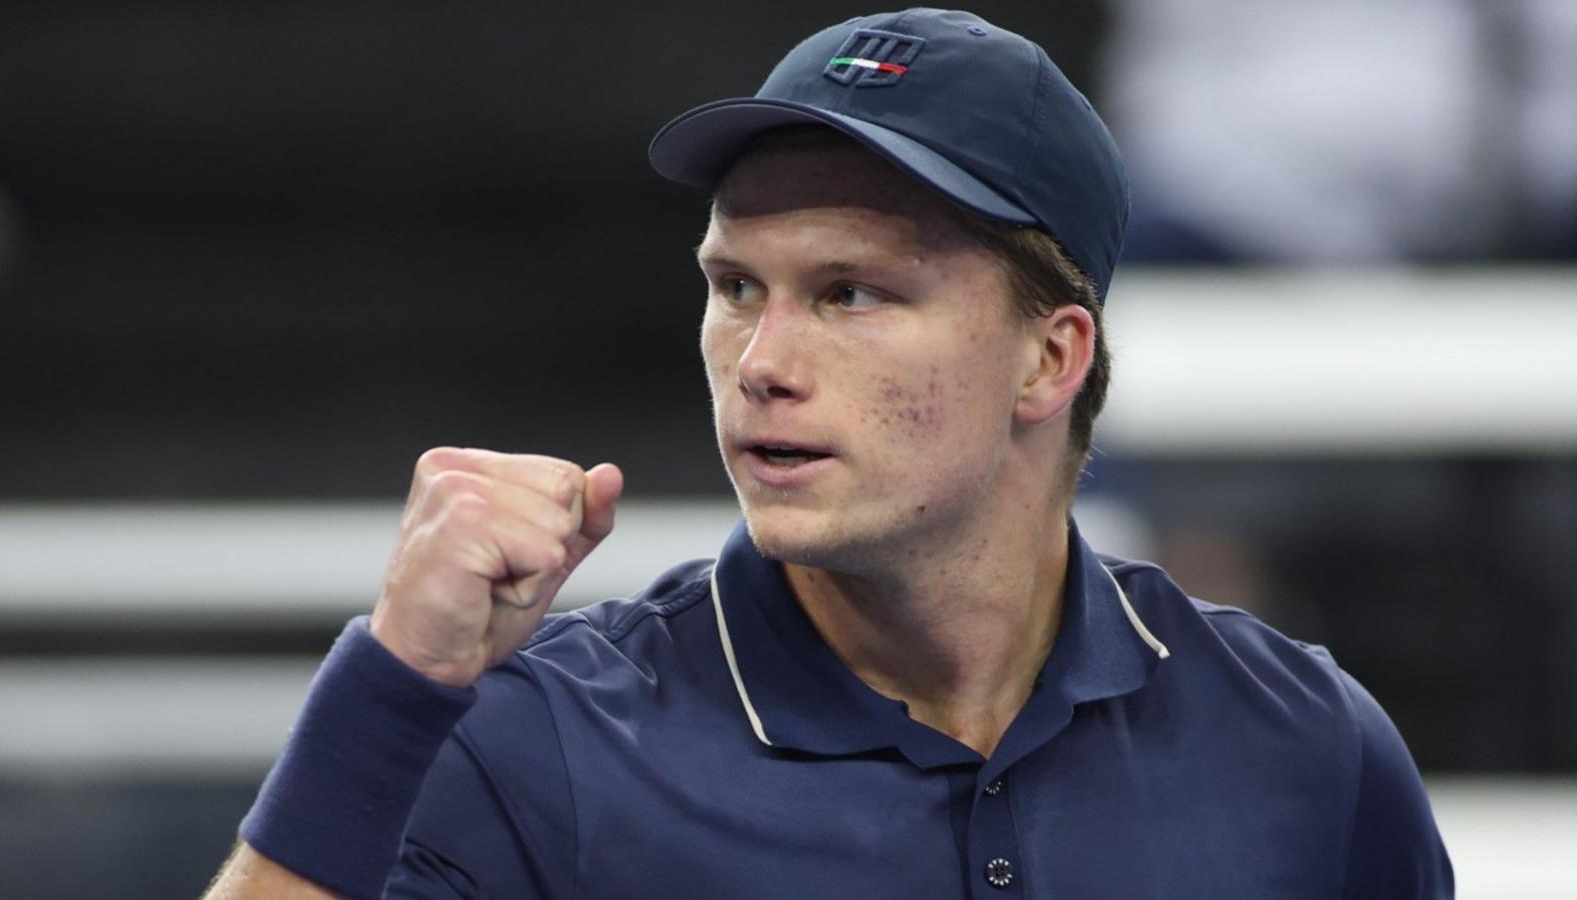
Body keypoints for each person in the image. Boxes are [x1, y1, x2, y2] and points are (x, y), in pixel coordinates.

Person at [205, 9, 1453, 899]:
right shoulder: (547, 748)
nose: (762, 361)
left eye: (852, 293)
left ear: (1048, 359)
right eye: (736, 286)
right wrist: (391, 686)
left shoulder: (1302, 745)